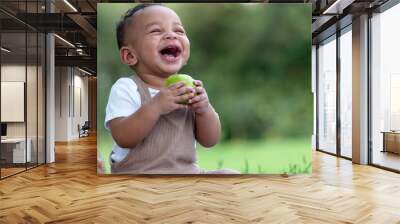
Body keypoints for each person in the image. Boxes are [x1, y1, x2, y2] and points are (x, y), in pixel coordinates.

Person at [102, 4, 239, 174]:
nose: (171, 35)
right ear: (130, 55)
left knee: (230, 176)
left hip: (187, 174)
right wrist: (156, 106)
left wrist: (204, 109)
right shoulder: (127, 88)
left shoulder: (189, 88)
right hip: (140, 176)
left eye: (179, 31)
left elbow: (210, 140)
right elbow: (123, 137)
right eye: (156, 31)